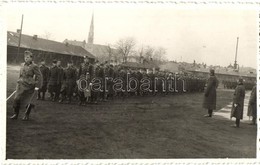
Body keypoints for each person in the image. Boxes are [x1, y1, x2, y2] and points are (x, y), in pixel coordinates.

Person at [10, 50, 42, 121]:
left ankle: (26, 115)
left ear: (31, 58)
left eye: (28, 57)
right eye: (25, 57)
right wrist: (18, 81)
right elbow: (20, 74)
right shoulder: (22, 65)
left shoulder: (34, 66)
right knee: (16, 99)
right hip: (20, 85)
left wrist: (37, 86)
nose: (26, 58)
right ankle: (16, 114)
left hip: (29, 86)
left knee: (29, 101)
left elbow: (39, 76)